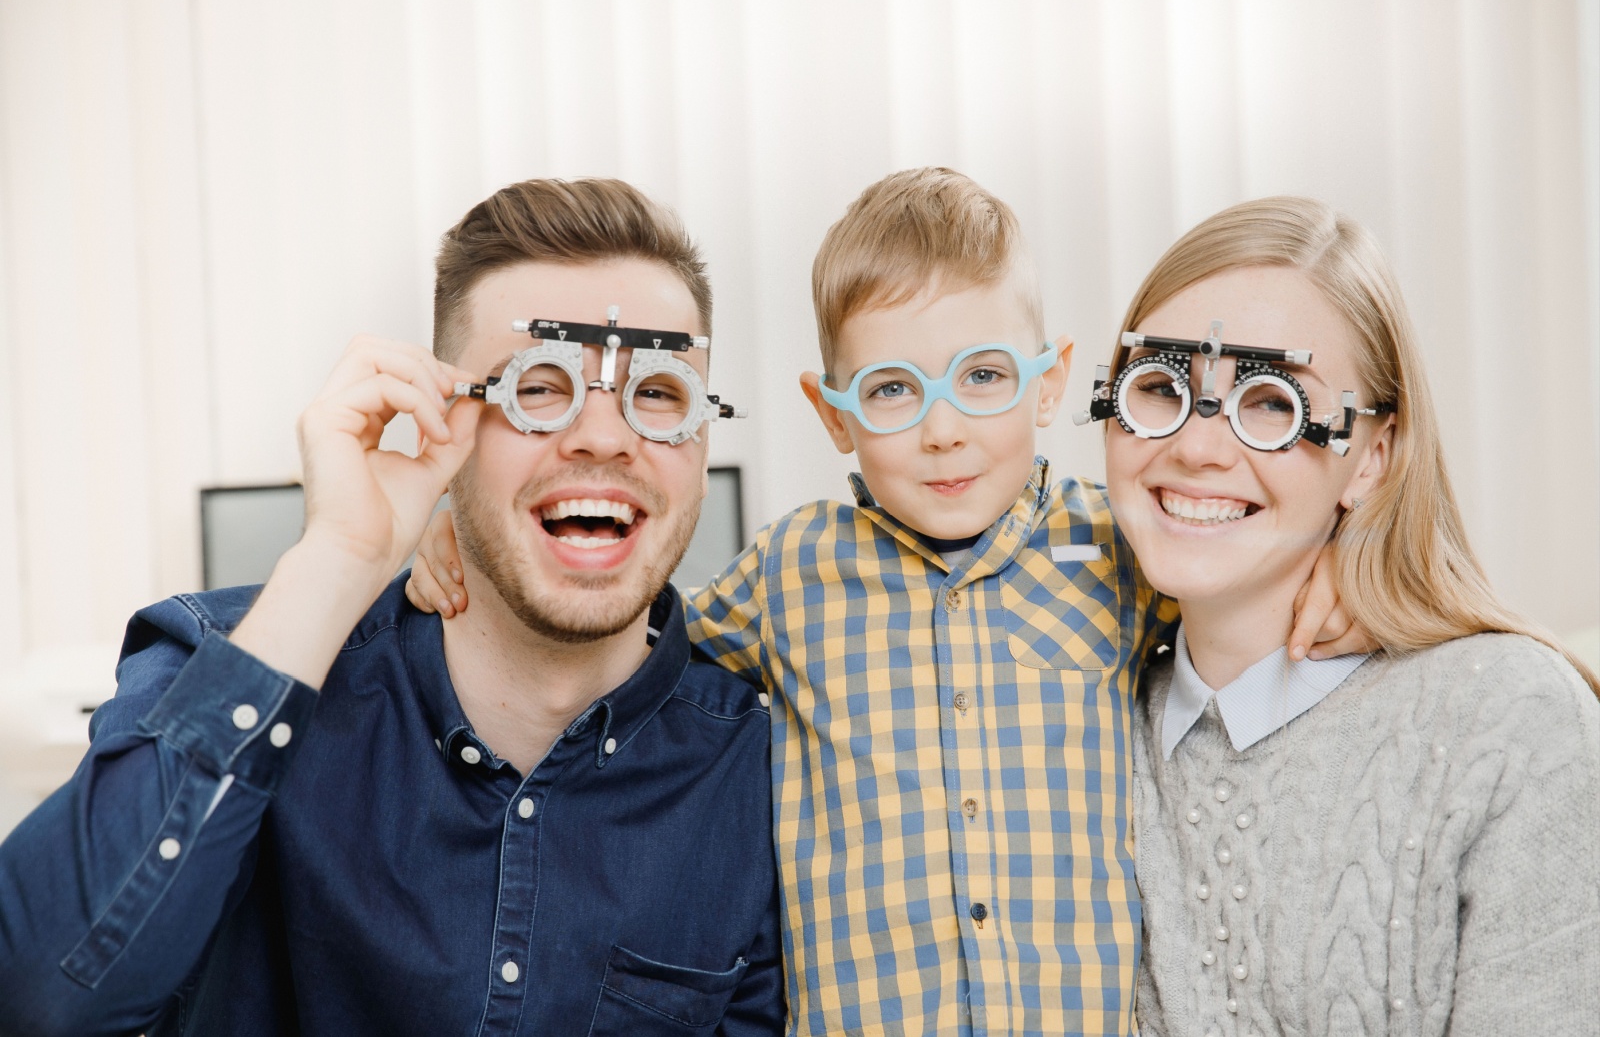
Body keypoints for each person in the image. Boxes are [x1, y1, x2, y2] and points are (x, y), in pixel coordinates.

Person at [409, 168, 1365, 1036]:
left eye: (984, 379)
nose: (943, 431)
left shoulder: (1115, 557)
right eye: (893, 390)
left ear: (1050, 385)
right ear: (835, 415)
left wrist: (1335, 567)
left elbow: (1240, 591)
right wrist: (457, 529)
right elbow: (618, 613)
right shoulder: (794, 573)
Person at [0, 178, 783, 1036]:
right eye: (539, 385)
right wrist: (340, 559)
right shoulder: (220, 662)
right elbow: (41, 1001)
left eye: (660, 393)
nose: (603, 435)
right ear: (445, 415)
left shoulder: (761, 763)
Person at [1087, 196, 1600, 1036]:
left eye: (1271, 403)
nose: (1198, 448)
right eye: (1160, 386)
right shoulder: (1059, 707)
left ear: (1372, 458)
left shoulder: (1512, 727)